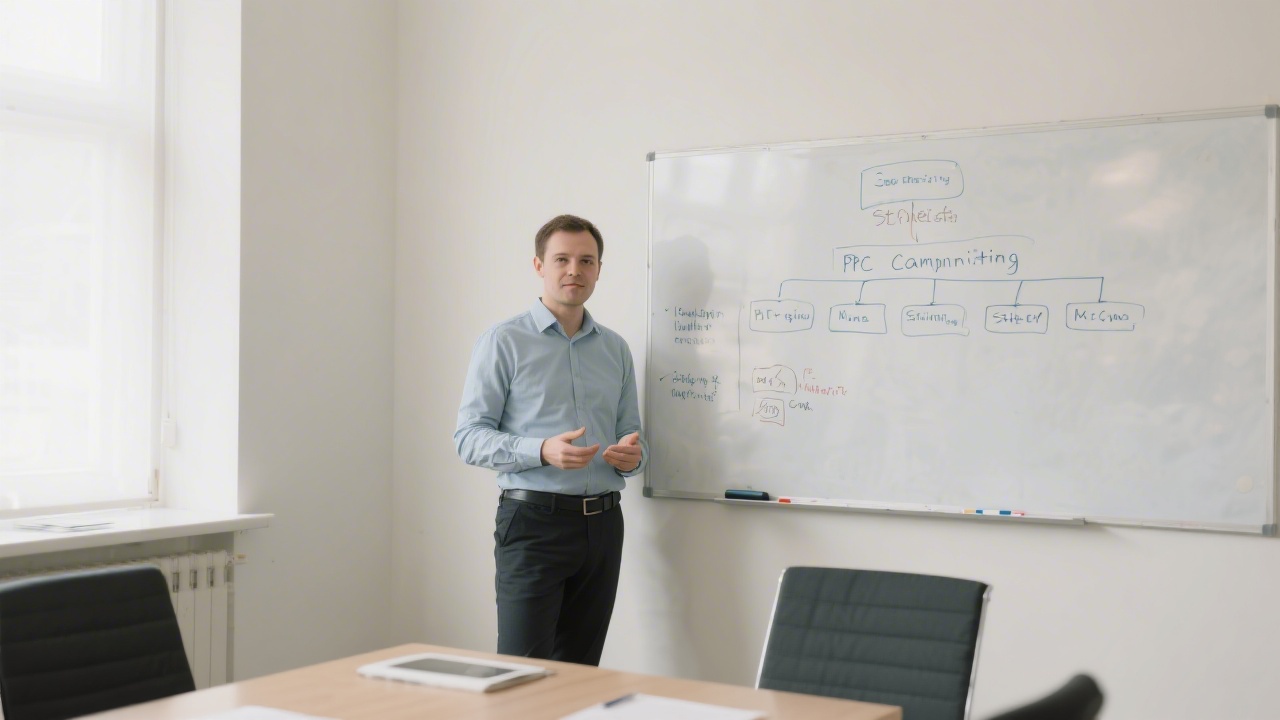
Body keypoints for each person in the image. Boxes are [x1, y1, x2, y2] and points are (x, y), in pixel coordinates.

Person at [454, 214, 647, 666]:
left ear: (599, 269)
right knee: (522, 671)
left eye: (586, 260)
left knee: (580, 671)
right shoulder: (503, 341)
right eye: (562, 259)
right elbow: (468, 438)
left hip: (603, 527)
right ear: (539, 265)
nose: (574, 270)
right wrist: (540, 450)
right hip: (533, 523)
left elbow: (633, 438)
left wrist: (630, 458)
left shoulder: (615, 349)